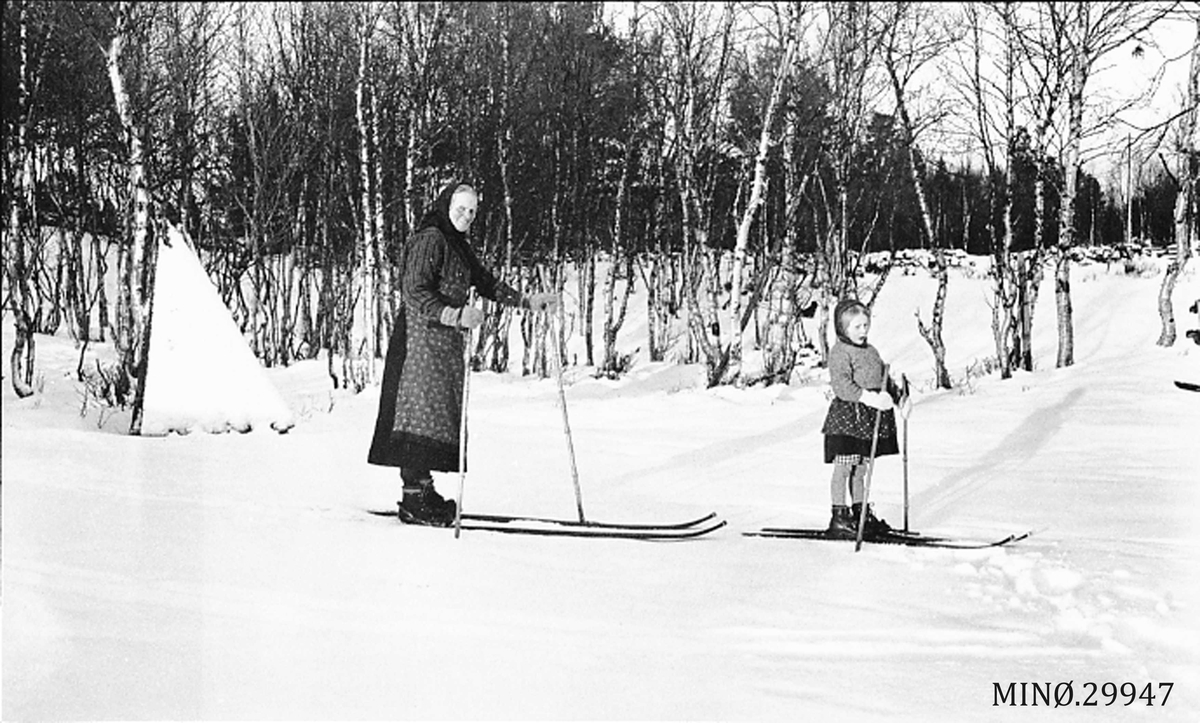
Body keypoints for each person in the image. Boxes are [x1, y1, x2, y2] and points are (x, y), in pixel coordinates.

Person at [368, 182, 559, 526]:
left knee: (435, 414)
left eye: (472, 212)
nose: (466, 217)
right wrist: (454, 315)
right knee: (417, 413)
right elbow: (413, 291)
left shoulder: (457, 245)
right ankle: (414, 497)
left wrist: (527, 301)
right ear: (446, 207)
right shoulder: (431, 238)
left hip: (442, 345)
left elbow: (484, 281)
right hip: (419, 342)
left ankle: (423, 489)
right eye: (460, 210)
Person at [820, 298, 909, 539]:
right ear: (843, 328)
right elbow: (842, 386)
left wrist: (900, 399)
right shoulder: (840, 352)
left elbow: (884, 381)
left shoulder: (871, 351)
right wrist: (868, 398)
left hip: (868, 421)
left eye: (866, 325)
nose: (863, 331)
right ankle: (839, 516)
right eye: (857, 327)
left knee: (861, 469)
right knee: (844, 467)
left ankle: (860, 513)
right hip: (848, 418)